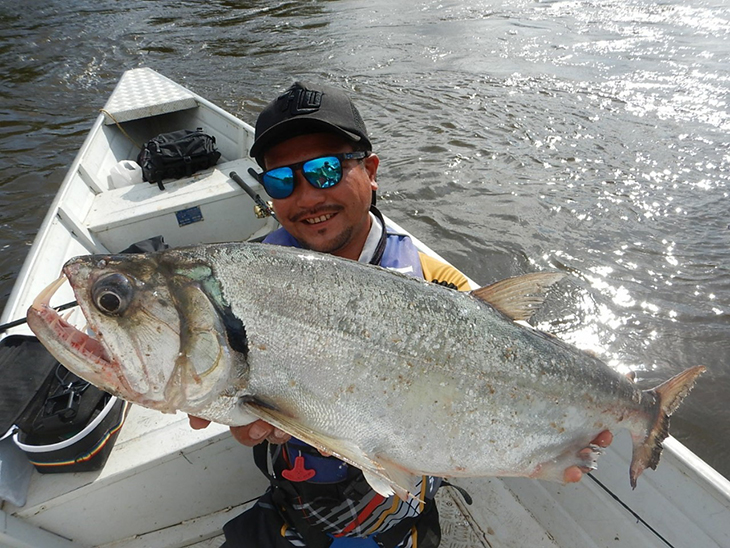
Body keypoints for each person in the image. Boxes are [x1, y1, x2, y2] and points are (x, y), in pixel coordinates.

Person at [189, 81, 613, 548]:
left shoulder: (438, 285)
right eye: (282, 181)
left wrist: (584, 400)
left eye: (325, 170)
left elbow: (514, 360)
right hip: (294, 509)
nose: (307, 198)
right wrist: (239, 417)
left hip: (398, 521)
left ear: (370, 172)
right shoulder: (246, 283)